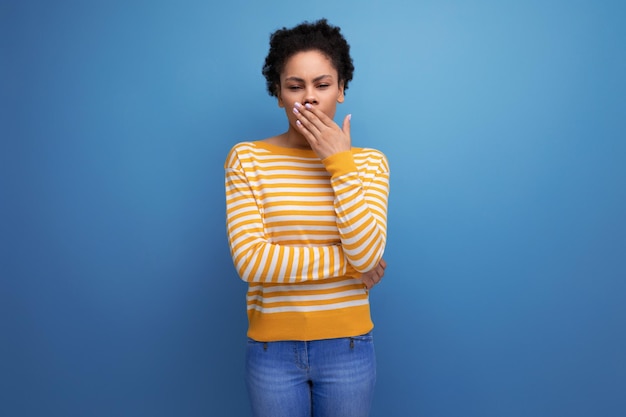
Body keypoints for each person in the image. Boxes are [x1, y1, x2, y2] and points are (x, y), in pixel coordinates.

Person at [224, 18, 390, 417]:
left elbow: (367, 256)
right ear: (278, 94)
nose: (309, 98)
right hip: (271, 353)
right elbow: (251, 261)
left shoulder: (368, 165)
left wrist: (339, 164)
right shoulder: (247, 159)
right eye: (294, 86)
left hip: (349, 347)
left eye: (322, 84)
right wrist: (349, 265)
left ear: (342, 89)